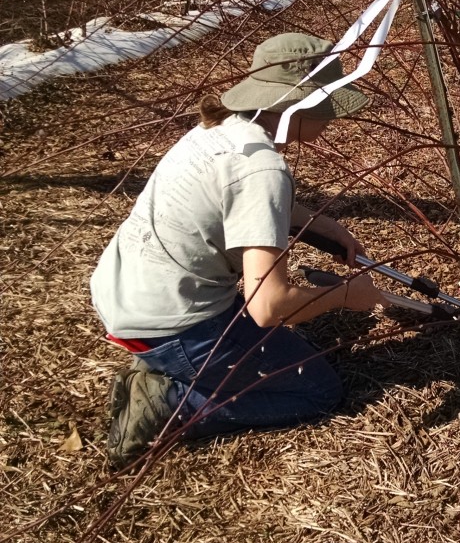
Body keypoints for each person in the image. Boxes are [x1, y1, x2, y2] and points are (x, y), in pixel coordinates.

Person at [91, 32, 392, 468]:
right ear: (297, 106)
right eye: (326, 107)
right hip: (171, 323)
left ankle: (183, 366)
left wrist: (321, 225)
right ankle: (168, 404)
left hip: (125, 289)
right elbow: (268, 306)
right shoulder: (264, 169)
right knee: (317, 390)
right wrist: (348, 296)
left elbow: (234, 198)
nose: (332, 119)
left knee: (286, 341)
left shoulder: (220, 130)